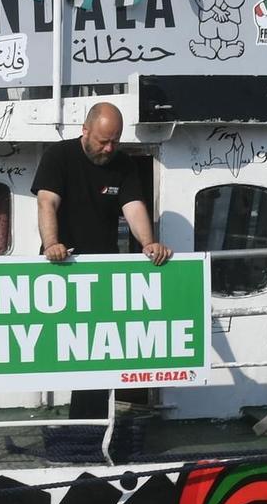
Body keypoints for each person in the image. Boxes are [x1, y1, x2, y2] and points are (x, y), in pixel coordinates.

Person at [32, 101, 171, 422]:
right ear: (85, 130)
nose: (109, 148)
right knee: (56, 347)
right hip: (60, 270)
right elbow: (46, 202)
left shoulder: (123, 165)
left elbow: (133, 206)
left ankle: (90, 426)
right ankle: (57, 416)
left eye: (115, 141)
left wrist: (148, 243)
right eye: (103, 140)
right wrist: (53, 244)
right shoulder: (58, 156)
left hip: (102, 275)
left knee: (98, 353)